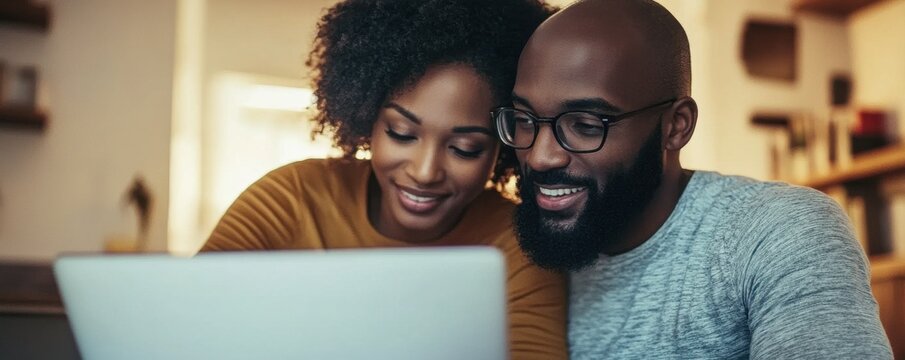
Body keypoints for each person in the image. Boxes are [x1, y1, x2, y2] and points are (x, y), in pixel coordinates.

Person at [492, 0, 893, 358]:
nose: (541, 156)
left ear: (676, 126)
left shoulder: (777, 231)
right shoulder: (538, 254)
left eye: (584, 124)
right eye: (525, 120)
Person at [201, 0, 566, 358]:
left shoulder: (520, 244)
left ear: (502, 149)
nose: (424, 173)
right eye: (402, 133)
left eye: (465, 148)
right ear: (368, 120)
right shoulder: (292, 197)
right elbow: (192, 322)